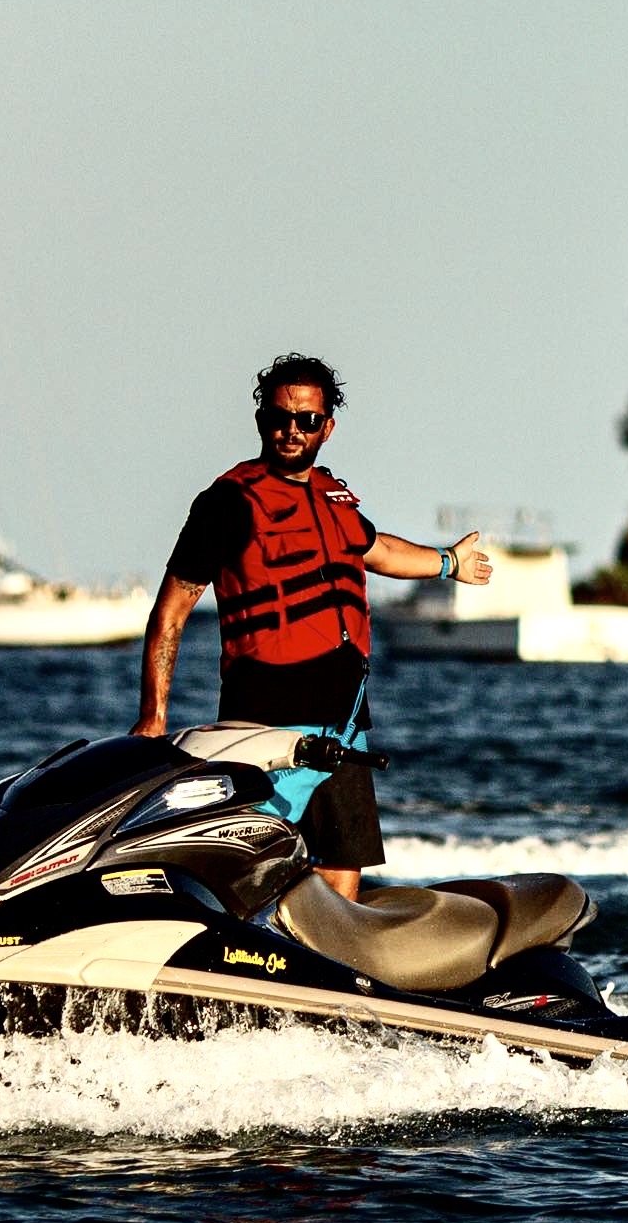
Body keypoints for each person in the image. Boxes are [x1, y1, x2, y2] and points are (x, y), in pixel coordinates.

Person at [130, 353, 489, 899]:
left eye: (306, 420)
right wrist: (153, 717)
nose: (290, 431)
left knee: (342, 871)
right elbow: (171, 612)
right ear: (259, 421)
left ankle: (324, 979)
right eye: (278, 418)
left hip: (344, 721)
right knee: (254, 864)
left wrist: (448, 562)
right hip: (263, 721)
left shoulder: (333, 497)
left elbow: (381, 550)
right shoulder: (227, 503)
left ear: (328, 426)